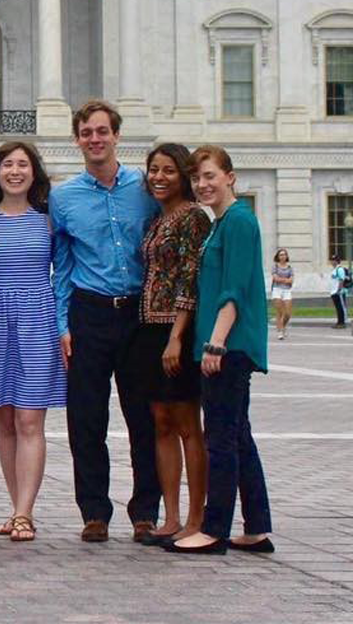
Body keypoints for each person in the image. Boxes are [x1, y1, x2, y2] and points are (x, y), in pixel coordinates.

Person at [51, 100, 162, 543]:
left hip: (138, 313)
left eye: (102, 131)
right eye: (86, 132)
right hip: (89, 311)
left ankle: (145, 511)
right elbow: (60, 264)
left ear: (116, 135)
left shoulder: (146, 188)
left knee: (144, 416)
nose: (95, 139)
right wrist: (63, 325)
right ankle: (94, 511)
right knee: (87, 419)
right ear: (77, 139)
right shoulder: (63, 197)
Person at [167, 145, 273, 555]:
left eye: (210, 176)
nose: (202, 184)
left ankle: (214, 530)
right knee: (238, 435)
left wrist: (216, 342)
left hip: (228, 346)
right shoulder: (221, 222)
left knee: (221, 439)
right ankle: (258, 528)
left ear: (230, 176)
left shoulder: (239, 222)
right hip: (224, 344)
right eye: (197, 178)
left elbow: (234, 290)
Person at [0, 141, 67, 542]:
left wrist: (64, 325)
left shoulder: (47, 218)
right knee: (5, 420)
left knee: (30, 418)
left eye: (23, 165)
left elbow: (63, 272)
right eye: (8, 164)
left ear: (34, 173)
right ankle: (16, 506)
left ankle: (26, 511)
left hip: (37, 319)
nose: (15, 171)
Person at [130, 143, 211, 546]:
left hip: (176, 332)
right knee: (160, 422)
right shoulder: (158, 219)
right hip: (148, 329)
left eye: (168, 171)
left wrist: (177, 336)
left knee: (185, 425)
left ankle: (196, 518)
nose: (159, 178)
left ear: (184, 175)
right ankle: (171, 516)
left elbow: (190, 278)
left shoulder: (193, 218)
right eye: (153, 170)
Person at [270, 249, 293, 340]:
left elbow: (291, 280)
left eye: (284, 255)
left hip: (287, 290)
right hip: (277, 289)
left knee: (287, 313)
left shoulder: (289, 267)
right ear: (278, 257)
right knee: (279, 311)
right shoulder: (275, 266)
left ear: (286, 256)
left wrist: (283, 279)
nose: (283, 256)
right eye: (281, 255)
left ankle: (283, 326)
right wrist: (285, 280)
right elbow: (275, 279)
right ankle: (280, 331)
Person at [329, 255, 348, 329]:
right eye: (331, 260)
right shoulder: (335, 269)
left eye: (333, 260)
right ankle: (339, 322)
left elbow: (341, 280)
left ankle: (342, 323)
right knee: (338, 308)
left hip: (339, 292)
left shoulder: (340, 269)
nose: (331, 262)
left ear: (336, 261)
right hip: (334, 292)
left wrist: (339, 290)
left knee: (341, 307)